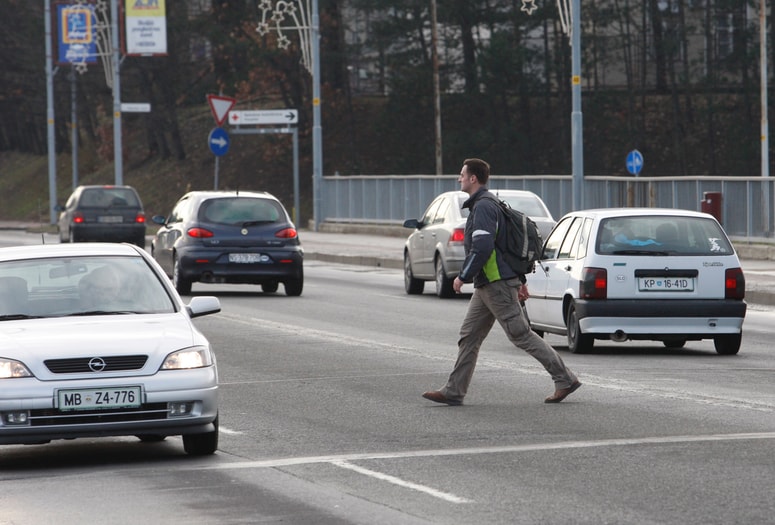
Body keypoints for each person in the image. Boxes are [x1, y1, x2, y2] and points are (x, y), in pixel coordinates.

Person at [422, 158, 581, 405]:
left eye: (462, 174)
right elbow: (503, 248)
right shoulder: (486, 204)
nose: (459, 178)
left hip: (496, 284)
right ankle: (454, 391)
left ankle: (565, 379)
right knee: (469, 336)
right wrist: (519, 279)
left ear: (473, 178)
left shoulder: (484, 207)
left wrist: (463, 276)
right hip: (488, 283)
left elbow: (483, 247)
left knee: (521, 335)